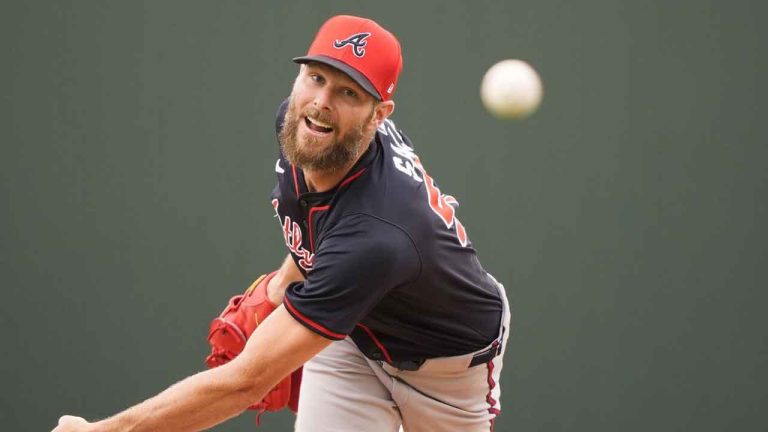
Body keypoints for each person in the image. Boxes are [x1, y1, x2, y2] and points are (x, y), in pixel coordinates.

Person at [53, 14, 511, 432]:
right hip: (351, 333)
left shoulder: (377, 234)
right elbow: (320, 236)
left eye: (348, 92)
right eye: (316, 78)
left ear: (379, 116)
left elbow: (246, 384)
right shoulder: (300, 128)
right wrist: (277, 288)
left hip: (446, 370)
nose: (321, 102)